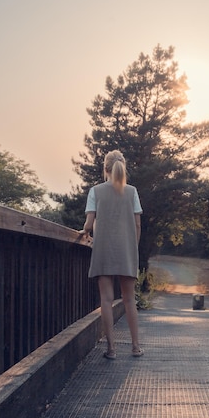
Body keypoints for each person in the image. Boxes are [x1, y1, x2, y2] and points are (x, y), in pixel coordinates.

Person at [81, 150, 143, 359]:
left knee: (106, 300)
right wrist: (132, 247)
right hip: (126, 250)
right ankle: (135, 347)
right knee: (129, 300)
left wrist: (85, 231)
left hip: (103, 249)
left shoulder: (95, 191)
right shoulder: (132, 192)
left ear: (105, 169)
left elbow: (89, 224)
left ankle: (111, 349)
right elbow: (137, 223)